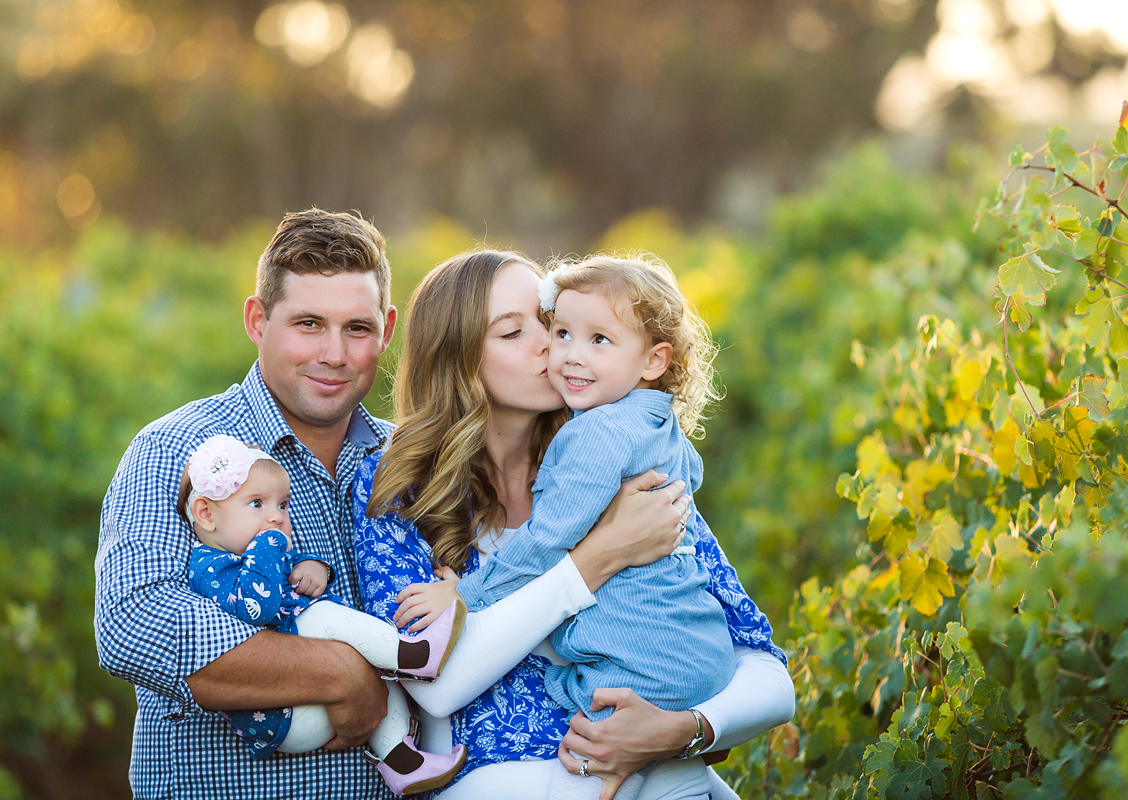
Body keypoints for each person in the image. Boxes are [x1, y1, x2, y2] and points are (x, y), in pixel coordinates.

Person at [94, 209, 688, 800]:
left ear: (387, 328)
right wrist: (341, 670)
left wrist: (679, 725)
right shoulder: (179, 448)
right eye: (308, 324)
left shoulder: (411, 466)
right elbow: (133, 624)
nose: (334, 353)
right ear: (256, 320)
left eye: (356, 328)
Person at [354, 250, 796, 800]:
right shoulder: (400, 482)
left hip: (654, 770)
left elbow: (766, 670)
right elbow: (437, 687)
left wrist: (683, 730)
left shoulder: (617, 456)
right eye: (514, 333)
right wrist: (597, 558)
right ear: (459, 359)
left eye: (550, 321)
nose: (552, 345)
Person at [178, 433, 467, 794]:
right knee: (321, 618)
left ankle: (401, 762)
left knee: (373, 666)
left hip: (316, 703)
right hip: (282, 716)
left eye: (282, 505)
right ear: (206, 514)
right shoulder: (208, 565)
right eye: (256, 504)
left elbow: (286, 577)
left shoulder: (257, 550)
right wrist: (271, 545)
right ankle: (414, 654)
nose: (276, 518)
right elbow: (258, 606)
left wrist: (314, 566)